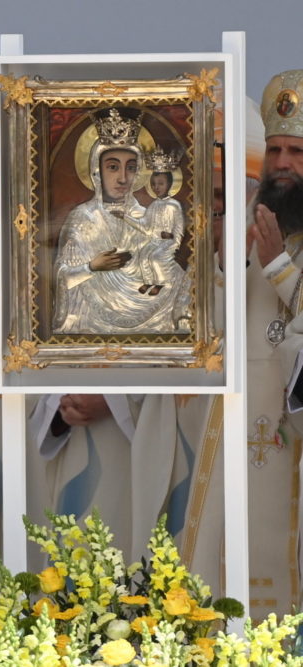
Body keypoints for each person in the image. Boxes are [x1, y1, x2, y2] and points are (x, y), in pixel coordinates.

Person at [243, 69, 303, 617]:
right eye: (275, 148)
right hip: (235, 435)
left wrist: (279, 269)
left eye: (297, 151)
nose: (282, 163)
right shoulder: (240, 223)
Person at [52, 107, 190, 335]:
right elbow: (62, 277)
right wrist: (91, 267)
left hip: (154, 315)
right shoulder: (82, 218)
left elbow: (165, 263)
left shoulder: (145, 215)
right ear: (96, 171)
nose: (123, 178)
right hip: (91, 320)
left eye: (132, 168)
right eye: (113, 167)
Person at [138, 149, 186, 294]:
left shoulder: (174, 205)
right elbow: (144, 224)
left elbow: (179, 226)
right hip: (154, 240)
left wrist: (173, 239)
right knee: (143, 255)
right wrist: (124, 217)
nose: (156, 187)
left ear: (169, 184)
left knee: (155, 258)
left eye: (160, 184)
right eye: (153, 184)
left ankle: (160, 283)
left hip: (169, 242)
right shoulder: (153, 205)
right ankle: (148, 281)